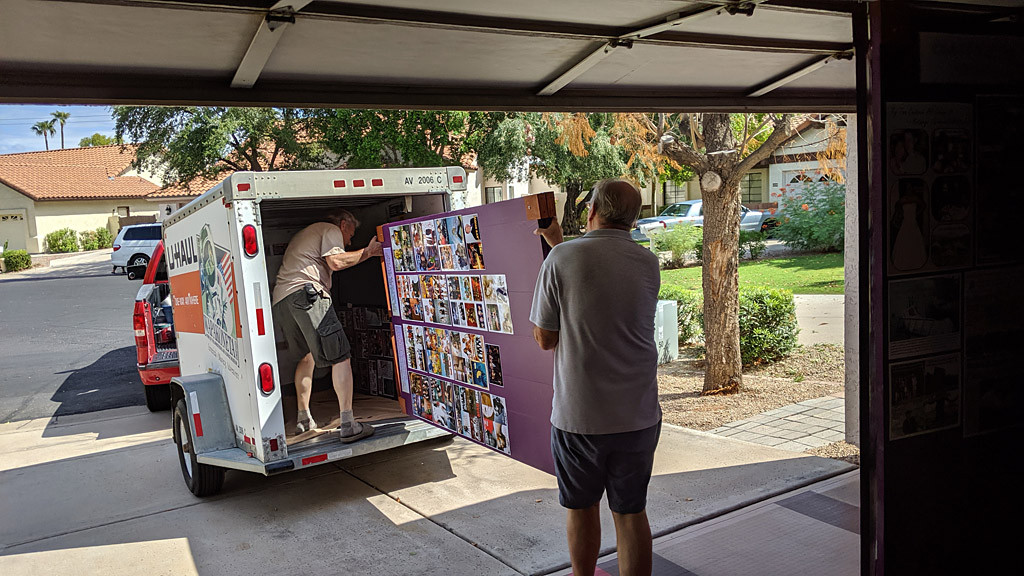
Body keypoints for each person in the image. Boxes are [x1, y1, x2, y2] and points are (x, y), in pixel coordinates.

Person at [530, 178, 662, 576]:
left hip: (580, 417)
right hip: (638, 413)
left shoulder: (562, 259)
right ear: (634, 218)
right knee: (631, 512)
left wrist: (558, 248)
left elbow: (545, 339)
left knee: (582, 508)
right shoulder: (647, 261)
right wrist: (560, 244)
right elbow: (601, 273)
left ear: (591, 211)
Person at [271, 207, 382, 443]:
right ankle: (348, 423)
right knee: (341, 355)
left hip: (282, 301)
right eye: (350, 234)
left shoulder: (305, 234)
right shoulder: (330, 229)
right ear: (344, 224)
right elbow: (336, 262)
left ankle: (303, 419)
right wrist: (369, 252)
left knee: (306, 357)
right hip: (307, 294)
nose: (350, 240)